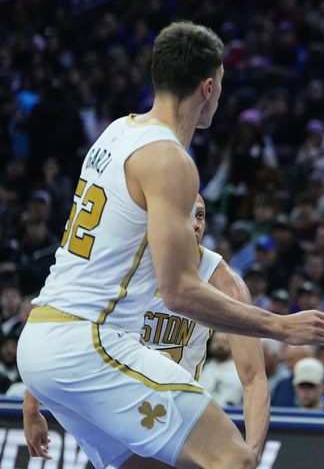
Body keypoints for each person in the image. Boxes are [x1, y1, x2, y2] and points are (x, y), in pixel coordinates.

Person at [16, 21, 324, 469]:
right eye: (221, 86)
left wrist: (35, 394)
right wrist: (281, 327)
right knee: (234, 459)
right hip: (88, 342)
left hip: (41, 341)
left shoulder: (116, 132)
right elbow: (180, 292)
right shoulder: (170, 160)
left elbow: (79, 268)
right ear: (208, 88)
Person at [25, 194, 271, 462]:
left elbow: (254, 378)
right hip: (115, 396)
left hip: (172, 405)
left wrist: (253, 452)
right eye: (187, 214)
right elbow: (57, 324)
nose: (196, 224)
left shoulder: (224, 283)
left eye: (200, 215)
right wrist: (31, 407)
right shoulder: (118, 265)